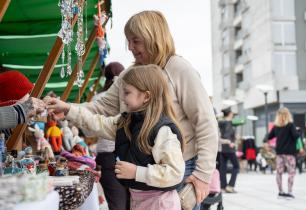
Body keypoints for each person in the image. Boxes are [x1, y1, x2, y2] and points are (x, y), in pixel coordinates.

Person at [47, 10, 218, 208]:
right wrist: (68, 109)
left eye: (135, 41)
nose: (130, 48)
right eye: (128, 41)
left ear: (152, 37)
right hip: (141, 173)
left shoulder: (179, 69)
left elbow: (206, 123)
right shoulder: (131, 74)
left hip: (179, 168)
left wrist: (203, 175)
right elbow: (102, 108)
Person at [45, 64, 185, 209]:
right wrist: (68, 109)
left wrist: (137, 172)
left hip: (161, 204)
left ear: (146, 96)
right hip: (139, 200)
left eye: (127, 93)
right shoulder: (126, 122)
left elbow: (175, 172)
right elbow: (97, 123)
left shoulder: (162, 130)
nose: (122, 99)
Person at [93, 62, 129, 210]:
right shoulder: (125, 97)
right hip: (120, 155)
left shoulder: (98, 98)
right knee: (127, 204)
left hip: (107, 156)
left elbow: (90, 130)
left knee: (117, 204)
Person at [267, 107, 299, 199]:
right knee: (291, 172)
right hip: (289, 153)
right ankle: (289, 192)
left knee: (279, 172)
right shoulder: (290, 125)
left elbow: (269, 136)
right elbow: (296, 136)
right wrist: (298, 131)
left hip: (279, 153)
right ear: (288, 115)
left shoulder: (276, 126)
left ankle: (280, 192)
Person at [218, 107, 239, 193]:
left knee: (223, 168)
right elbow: (228, 135)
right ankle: (230, 186)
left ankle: (223, 187)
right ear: (230, 114)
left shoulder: (221, 122)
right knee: (236, 166)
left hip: (222, 148)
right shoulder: (229, 123)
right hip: (229, 148)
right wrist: (232, 141)